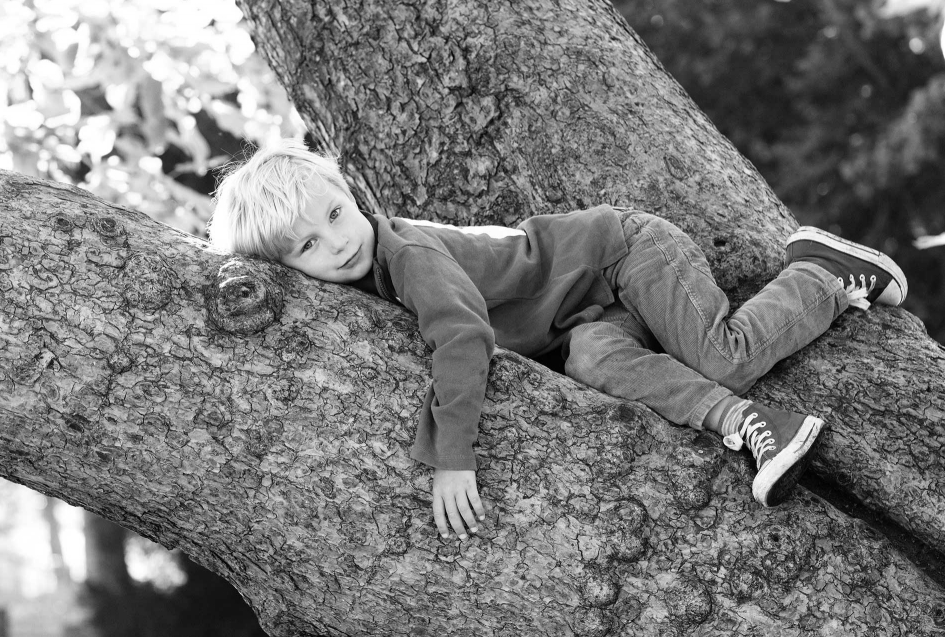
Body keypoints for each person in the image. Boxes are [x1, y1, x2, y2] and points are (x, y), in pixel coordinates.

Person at [206, 140, 908, 541]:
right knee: (593, 360)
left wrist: (453, 459)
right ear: (286, 271)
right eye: (307, 245)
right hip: (583, 318)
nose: (337, 241)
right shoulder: (366, 287)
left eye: (335, 213)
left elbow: (461, 337)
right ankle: (752, 425)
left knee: (721, 354)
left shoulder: (407, 256)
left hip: (623, 255)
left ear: (348, 191)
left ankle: (821, 274)